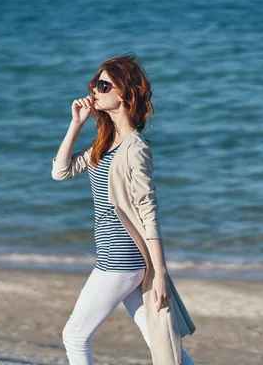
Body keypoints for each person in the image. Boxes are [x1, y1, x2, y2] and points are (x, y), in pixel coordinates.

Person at [51, 54, 195, 365]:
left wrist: (160, 273)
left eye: (103, 85)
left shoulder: (135, 149)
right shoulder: (104, 143)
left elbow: (148, 212)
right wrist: (75, 124)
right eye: (94, 84)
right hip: (119, 259)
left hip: (120, 260)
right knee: (162, 343)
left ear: (124, 94)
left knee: (74, 336)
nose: (94, 91)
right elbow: (60, 171)